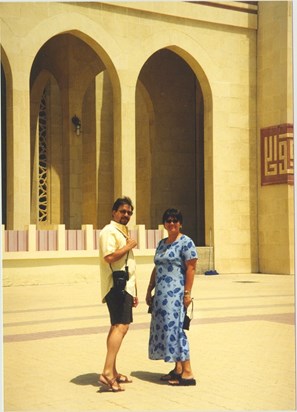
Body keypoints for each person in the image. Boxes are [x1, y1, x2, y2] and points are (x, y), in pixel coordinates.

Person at [146, 208, 198, 386]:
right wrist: (149, 289)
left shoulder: (186, 242)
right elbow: (157, 267)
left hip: (175, 295)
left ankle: (188, 373)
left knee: (176, 330)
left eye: (175, 220)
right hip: (161, 295)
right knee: (166, 330)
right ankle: (177, 369)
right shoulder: (162, 243)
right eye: (168, 220)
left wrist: (187, 293)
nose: (171, 223)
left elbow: (191, 268)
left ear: (180, 223)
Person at [98, 196, 138, 392]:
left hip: (125, 287)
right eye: (123, 211)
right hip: (116, 287)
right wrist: (128, 246)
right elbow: (109, 257)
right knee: (121, 327)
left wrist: (134, 291)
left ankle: (112, 371)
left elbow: (128, 264)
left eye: (129, 212)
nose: (126, 215)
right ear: (114, 212)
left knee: (116, 327)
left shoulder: (122, 232)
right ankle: (107, 372)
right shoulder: (109, 231)